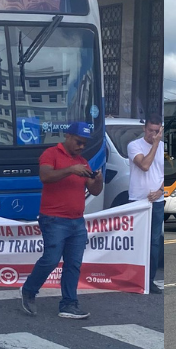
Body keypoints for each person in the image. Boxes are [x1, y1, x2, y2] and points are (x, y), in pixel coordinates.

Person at [21, 122, 103, 319]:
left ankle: (68, 304)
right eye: (78, 142)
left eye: (84, 144)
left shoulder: (83, 161)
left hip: (76, 221)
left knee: (73, 264)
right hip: (54, 219)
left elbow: (94, 190)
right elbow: (45, 176)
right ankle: (29, 290)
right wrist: (70, 170)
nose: (81, 147)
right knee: (51, 259)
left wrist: (98, 178)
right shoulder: (51, 154)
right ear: (67, 136)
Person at [127, 114, 165, 294]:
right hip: (137, 201)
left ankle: (149, 280)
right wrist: (155, 144)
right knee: (136, 241)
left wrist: (160, 191)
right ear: (144, 129)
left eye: (157, 131)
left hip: (157, 202)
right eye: (150, 130)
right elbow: (144, 165)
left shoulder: (164, 148)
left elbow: (168, 175)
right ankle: (133, 277)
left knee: (154, 242)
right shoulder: (134, 146)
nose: (153, 134)